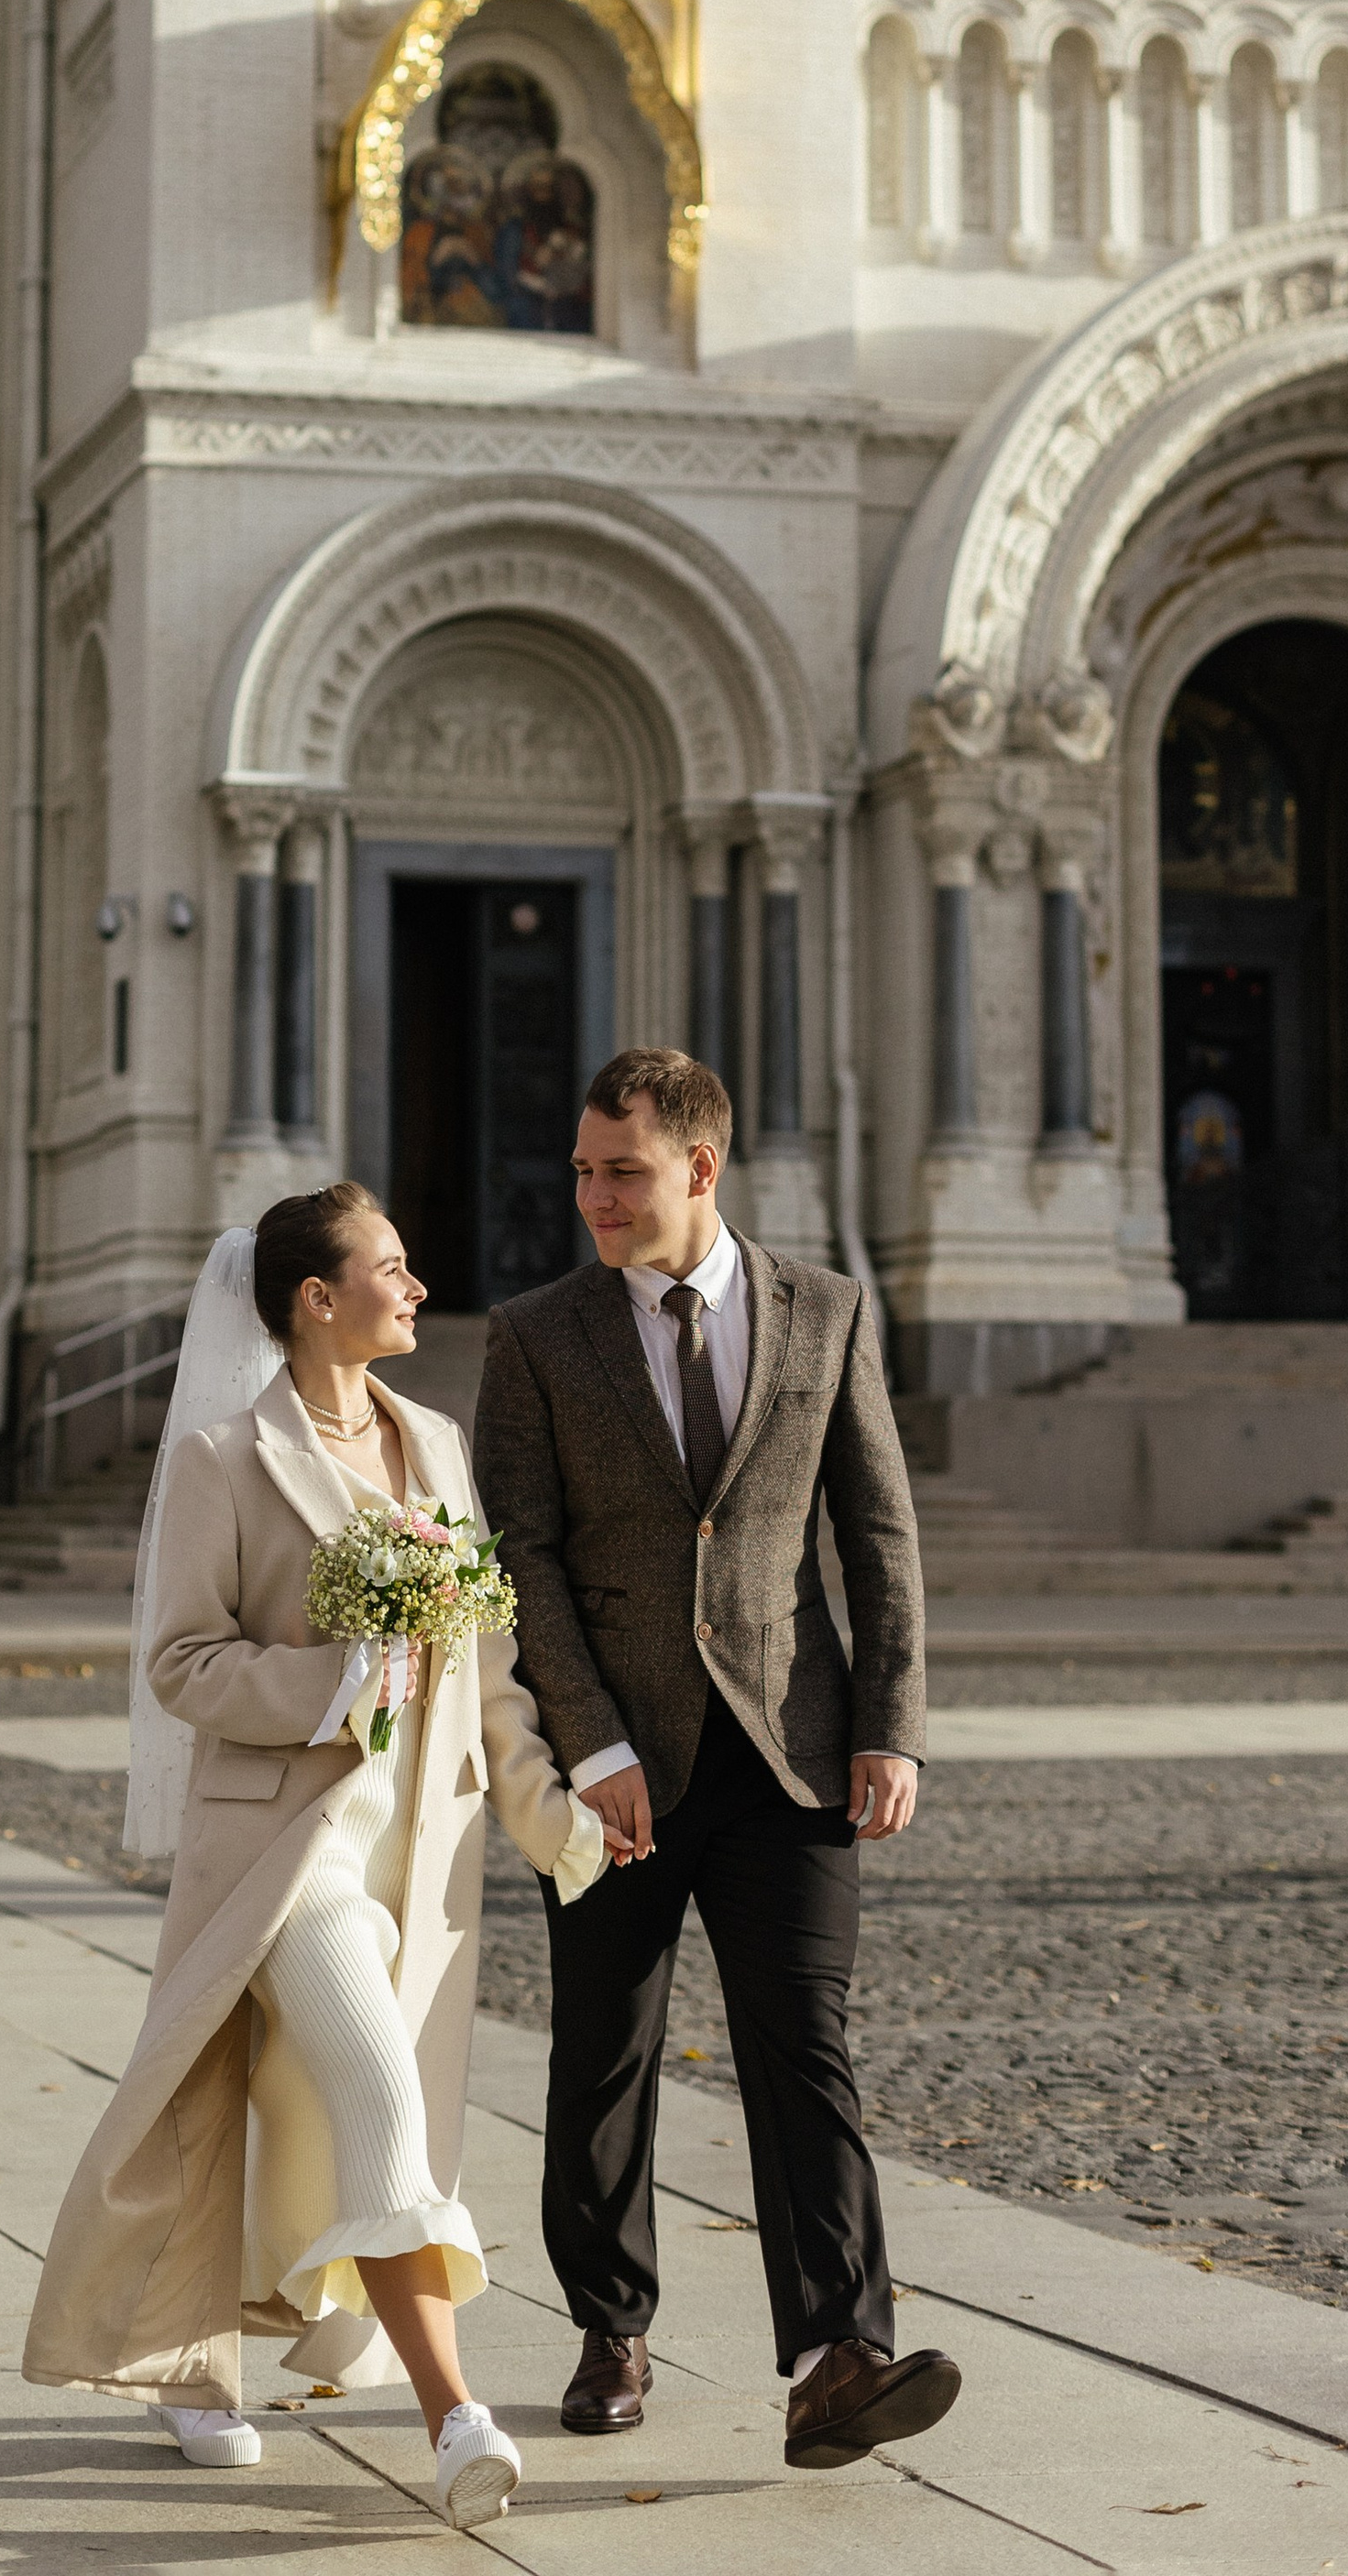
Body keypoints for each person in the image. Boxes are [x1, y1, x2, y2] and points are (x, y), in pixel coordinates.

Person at [23, 1186, 617, 2529]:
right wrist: (332, 1676)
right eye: (391, 1267)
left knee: (297, 2110)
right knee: (376, 2093)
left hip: (423, 1852)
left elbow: (491, 1671)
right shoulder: (223, 1459)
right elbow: (181, 1659)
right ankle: (454, 2415)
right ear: (314, 1297)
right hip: (290, 1855)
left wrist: (549, 1811)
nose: (417, 1287)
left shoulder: (442, 1447)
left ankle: (193, 2353)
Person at [473, 1046, 962, 2474]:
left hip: (788, 1748)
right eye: (580, 1169)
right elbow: (525, 1557)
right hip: (619, 1761)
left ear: (701, 1167)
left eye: (619, 1170)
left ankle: (835, 2354)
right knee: (602, 2053)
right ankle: (611, 2326)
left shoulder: (827, 1307)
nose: (592, 1197)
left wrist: (891, 1721)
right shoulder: (536, 1334)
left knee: (803, 2046)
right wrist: (591, 1740)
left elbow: (879, 1534)